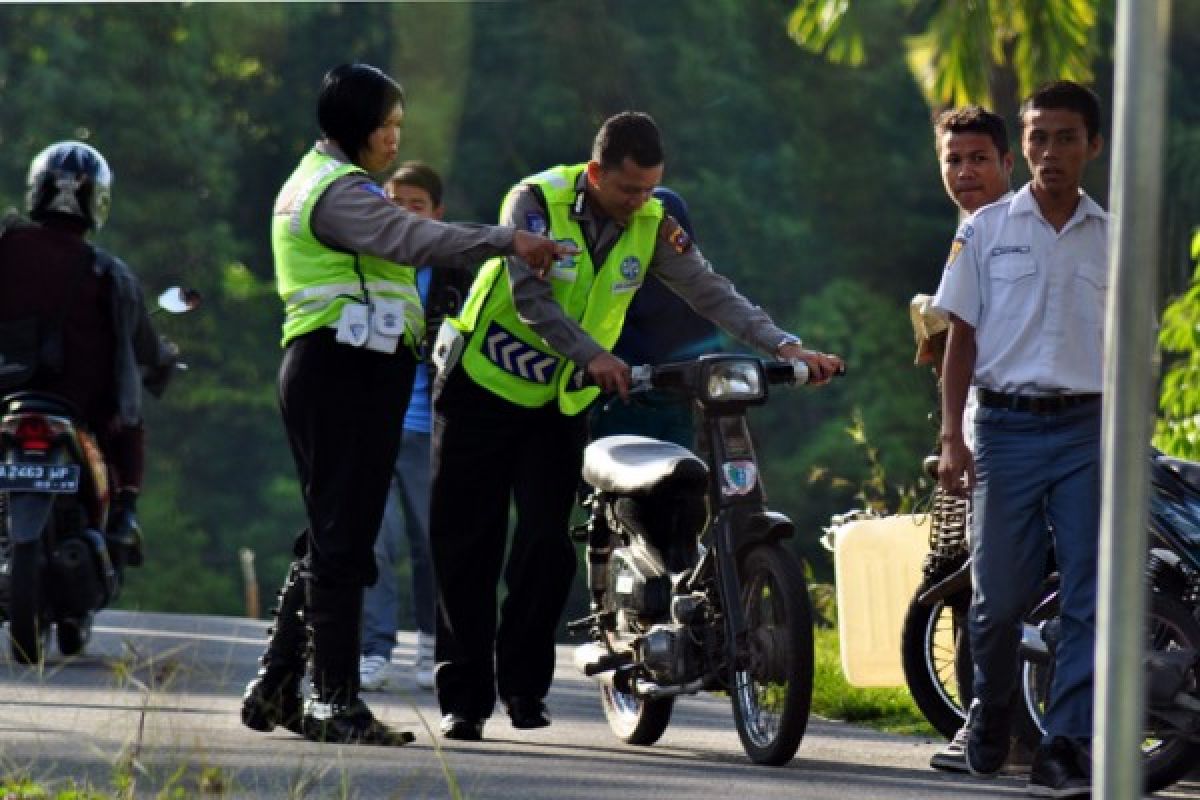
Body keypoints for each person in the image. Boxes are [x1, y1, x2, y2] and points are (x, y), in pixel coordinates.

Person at [429, 111, 844, 741]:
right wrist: (591, 354)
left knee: (544, 549)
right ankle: (463, 700)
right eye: (628, 190)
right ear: (595, 173)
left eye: (651, 188)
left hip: (556, 404)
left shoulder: (652, 223)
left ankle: (521, 689)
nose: (639, 202)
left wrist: (784, 344)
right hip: (481, 390)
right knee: (469, 548)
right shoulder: (536, 201)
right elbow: (527, 298)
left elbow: (709, 291)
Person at [239, 63, 570, 747]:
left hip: (350, 368)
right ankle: (336, 701)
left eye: (398, 126)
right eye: (386, 126)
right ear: (356, 127)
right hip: (342, 367)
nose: (395, 139)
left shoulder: (323, 180)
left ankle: (276, 685)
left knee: (335, 530)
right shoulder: (337, 193)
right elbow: (417, 239)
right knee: (344, 540)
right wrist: (511, 239)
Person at [933, 81, 1107, 798]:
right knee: (999, 598)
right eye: (1038, 138)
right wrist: (952, 437)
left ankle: (1064, 744)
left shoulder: (1115, 235)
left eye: (1065, 138)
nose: (1050, 152)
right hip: (1003, 428)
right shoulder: (985, 229)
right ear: (1023, 146)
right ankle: (991, 710)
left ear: (1092, 145)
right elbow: (959, 342)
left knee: (1088, 597)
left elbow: (1134, 345)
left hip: (1089, 430)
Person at [0, 141, 177, 575]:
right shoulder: (109, 272)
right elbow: (146, 349)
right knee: (129, 427)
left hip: (6, 398)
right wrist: (165, 361)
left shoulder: (5, 249)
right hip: (81, 412)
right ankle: (124, 518)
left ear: (36, 190)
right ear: (98, 201)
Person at [359, 162, 470, 692]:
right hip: (373, 422)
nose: (403, 213)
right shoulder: (363, 261)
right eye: (394, 201)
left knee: (432, 542)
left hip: (431, 427)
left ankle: (431, 644)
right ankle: (374, 648)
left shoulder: (453, 271)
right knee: (373, 541)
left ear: (437, 214)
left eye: (416, 205)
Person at [587, 186, 721, 448]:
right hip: (616, 403)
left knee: (681, 480)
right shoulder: (611, 280)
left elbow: (707, 344)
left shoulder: (691, 287)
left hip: (676, 404)